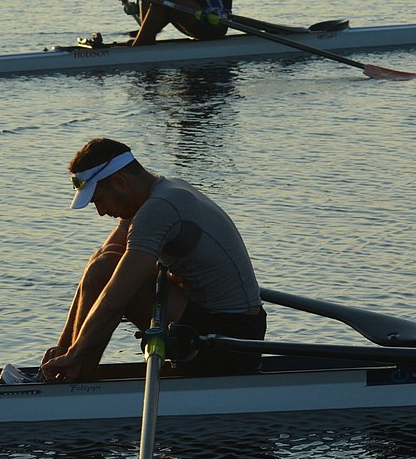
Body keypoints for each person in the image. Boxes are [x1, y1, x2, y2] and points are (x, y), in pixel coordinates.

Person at [40, 138, 265, 383]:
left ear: (120, 182)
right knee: (103, 261)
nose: (101, 212)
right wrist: (64, 345)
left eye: (99, 200)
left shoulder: (159, 208)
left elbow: (115, 298)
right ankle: (67, 364)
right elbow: (99, 262)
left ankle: (74, 378)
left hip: (231, 342)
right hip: (216, 324)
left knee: (109, 273)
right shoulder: (153, 194)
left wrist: (77, 351)